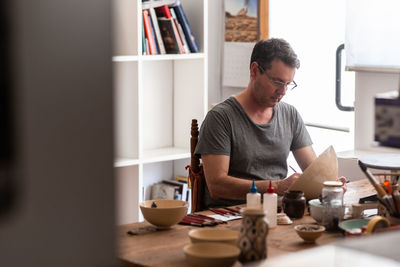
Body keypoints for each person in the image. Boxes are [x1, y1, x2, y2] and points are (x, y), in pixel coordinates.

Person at [195, 38, 346, 209]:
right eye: (277, 82)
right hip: (231, 215)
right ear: (254, 70)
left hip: (277, 210)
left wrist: (330, 186)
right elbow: (217, 186)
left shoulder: (290, 115)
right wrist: (275, 187)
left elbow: (314, 172)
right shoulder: (220, 118)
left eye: (288, 84)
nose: (283, 91)